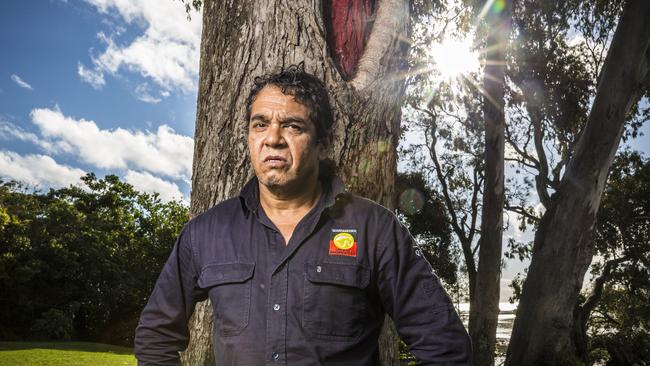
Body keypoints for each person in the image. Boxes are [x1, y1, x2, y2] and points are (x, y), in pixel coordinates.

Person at [134, 64, 472, 365]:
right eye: (260, 124)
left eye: (293, 126)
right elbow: (155, 336)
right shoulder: (205, 233)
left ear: (323, 144)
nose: (273, 139)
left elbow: (446, 347)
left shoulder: (376, 229)